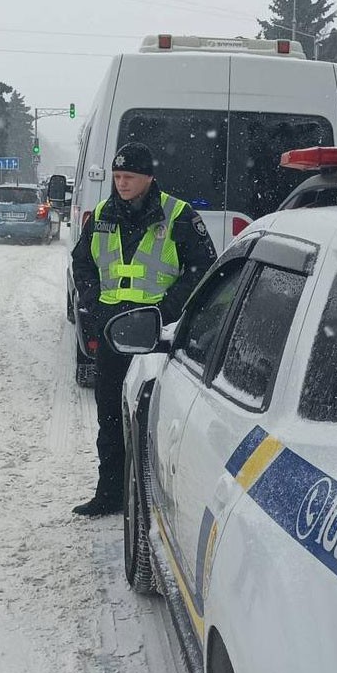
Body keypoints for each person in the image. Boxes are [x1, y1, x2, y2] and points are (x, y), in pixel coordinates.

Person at [70, 142, 217, 516]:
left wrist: (166, 310)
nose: (121, 184)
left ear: (149, 177)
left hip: (156, 337)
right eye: (117, 177)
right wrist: (92, 301)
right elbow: (81, 263)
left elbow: (203, 270)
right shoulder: (102, 214)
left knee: (153, 419)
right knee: (109, 416)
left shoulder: (178, 214)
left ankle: (156, 500)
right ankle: (110, 494)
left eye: (129, 177)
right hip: (111, 333)